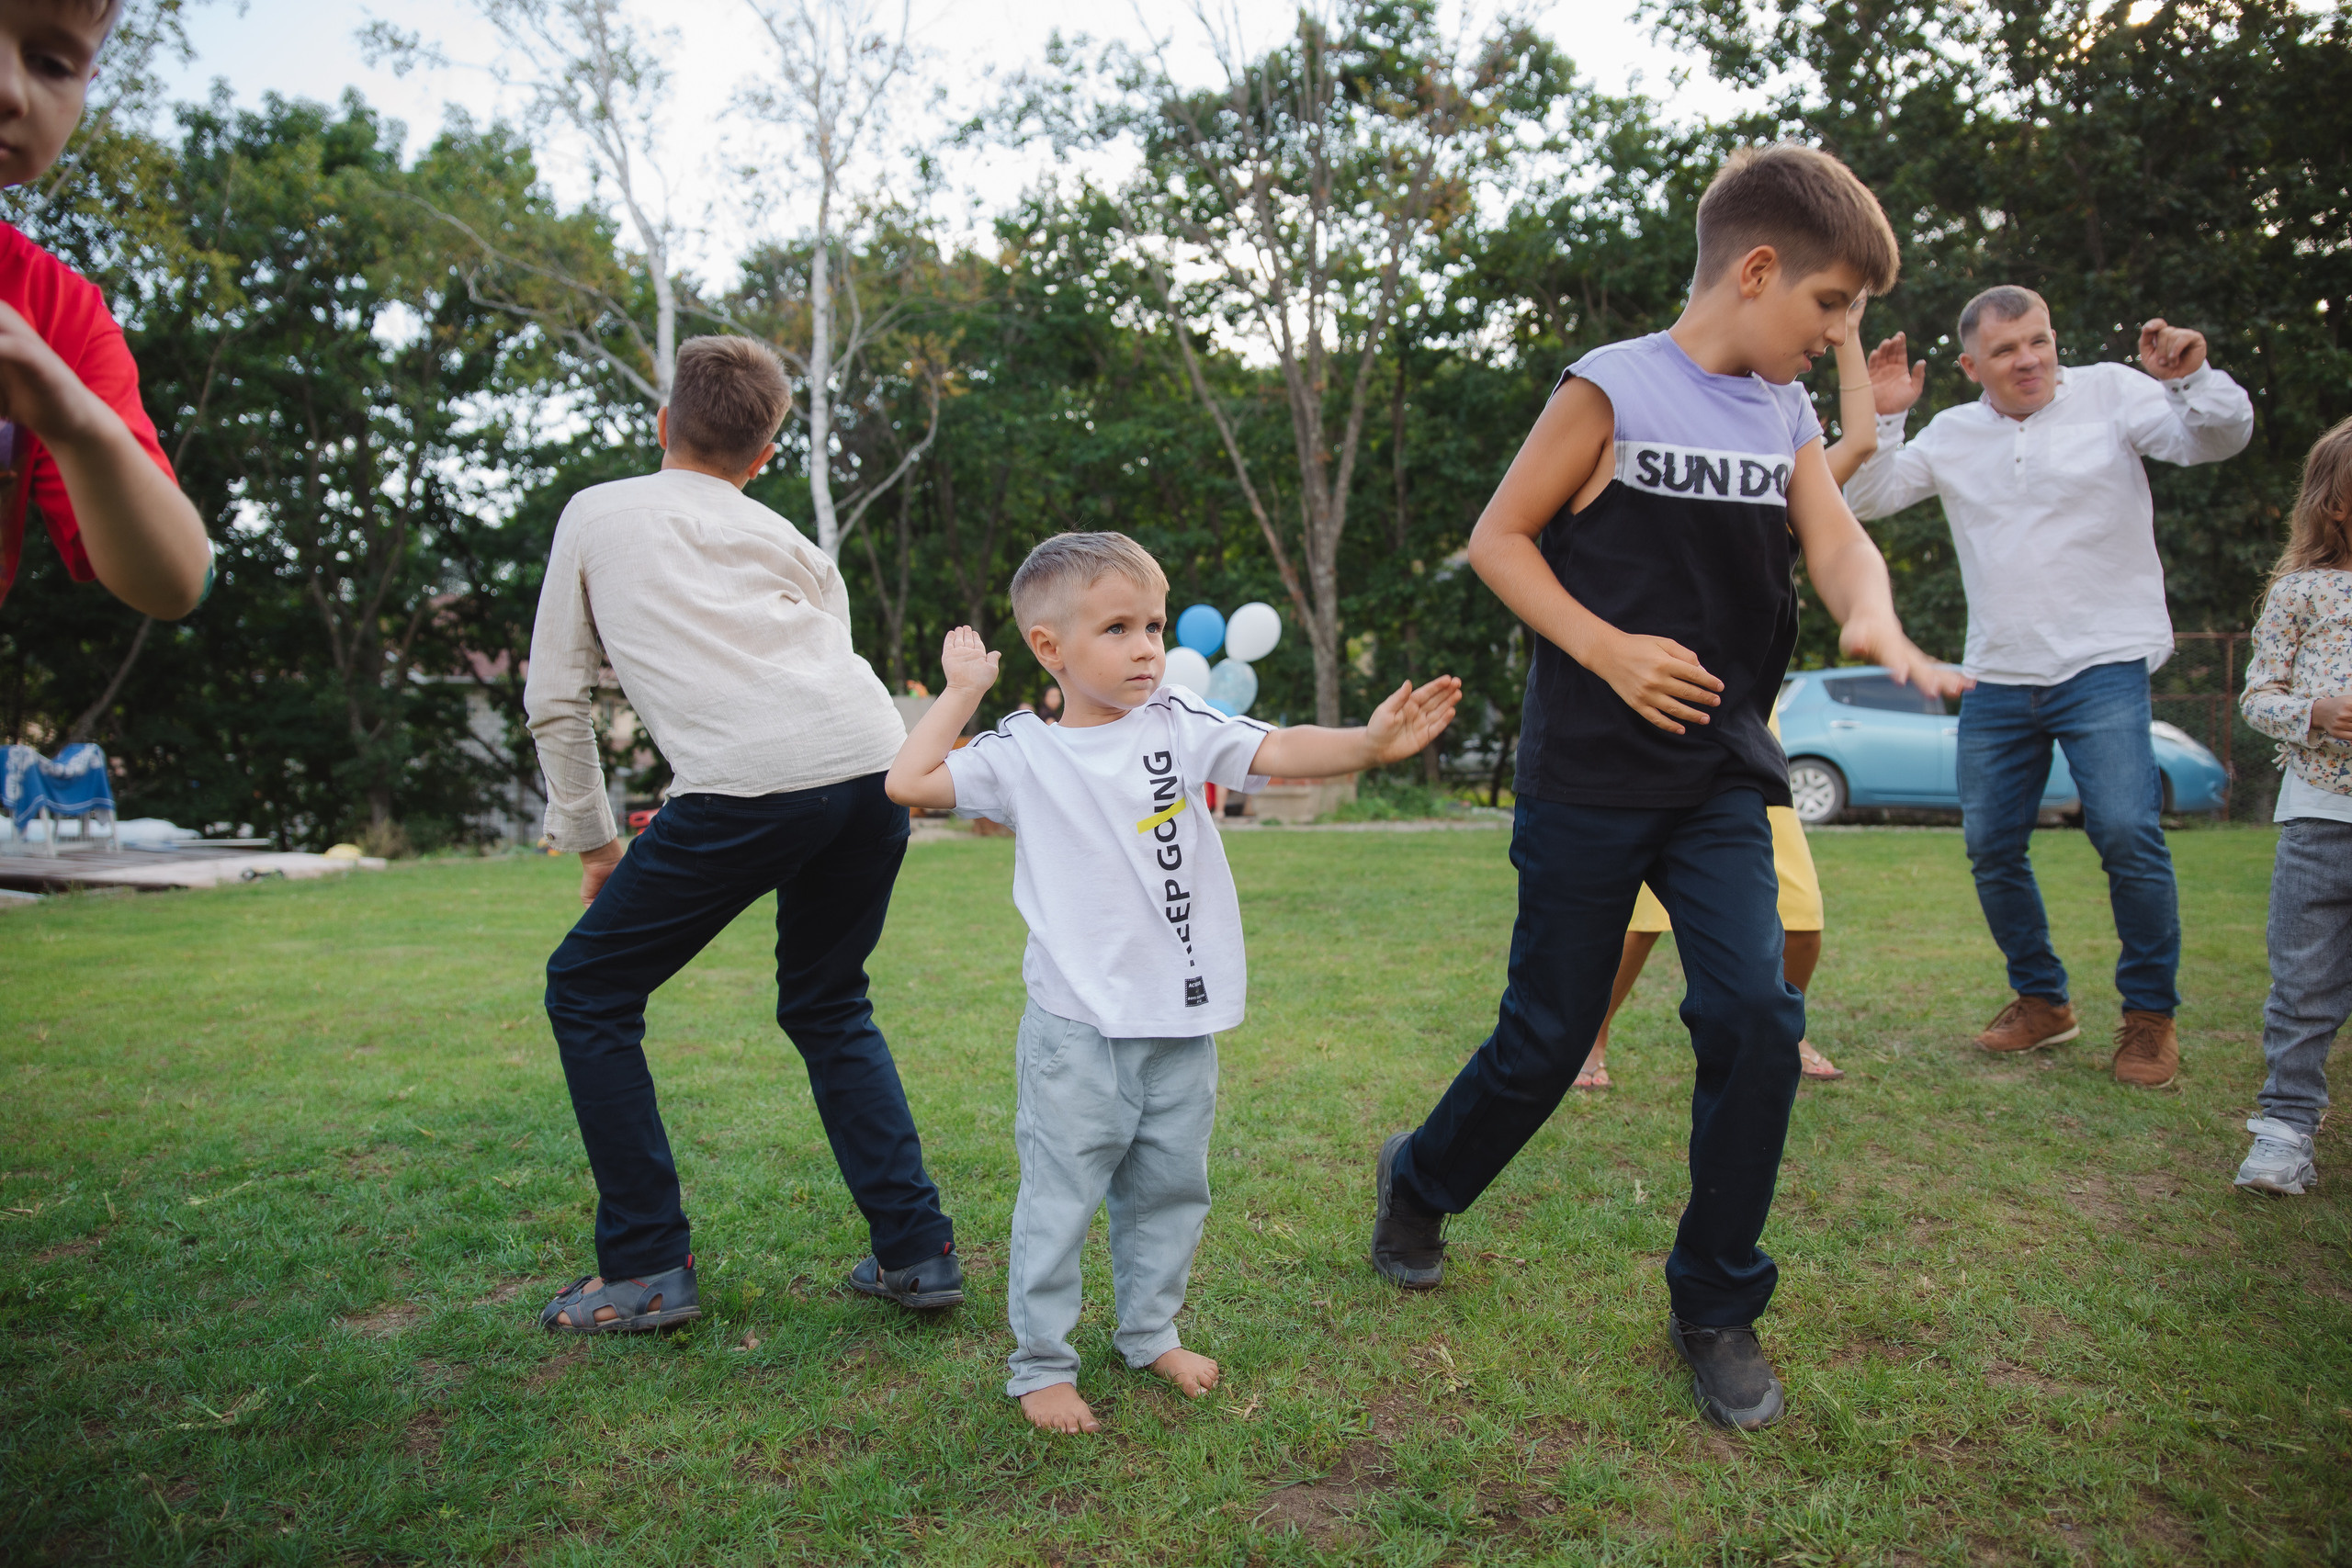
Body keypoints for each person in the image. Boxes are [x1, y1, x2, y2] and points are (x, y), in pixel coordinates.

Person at [1366, 144, 1969, 1432]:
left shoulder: (1781, 417)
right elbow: (1498, 536)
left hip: (1716, 776)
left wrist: (1877, 620)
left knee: (1754, 1012)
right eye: (1829, 312)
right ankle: (1419, 1178)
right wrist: (1603, 646)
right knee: (1544, 1037)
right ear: (1759, 271)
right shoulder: (1613, 387)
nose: (1831, 342)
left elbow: (1839, 537)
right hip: (1588, 777)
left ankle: (1716, 1300)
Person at [887, 532, 1459, 1434]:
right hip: (1076, 1033)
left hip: (1180, 1024)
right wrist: (961, 692)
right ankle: (1041, 1363)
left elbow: (1279, 749)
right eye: (1117, 627)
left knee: (1168, 1194)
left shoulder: (1181, 725)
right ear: (1049, 648)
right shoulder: (1025, 750)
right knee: (1060, 1202)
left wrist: (1367, 742)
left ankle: (1150, 1333)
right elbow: (907, 778)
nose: (1147, 644)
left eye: (1152, 623)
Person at [524, 334, 962, 1334]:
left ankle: (641, 1269)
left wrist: (597, 844)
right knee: (828, 1004)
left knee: (588, 988)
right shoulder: (790, 541)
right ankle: (917, 1253)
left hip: (752, 787)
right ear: (762, 457)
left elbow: (556, 699)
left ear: (664, 425)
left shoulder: (596, 513)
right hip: (872, 768)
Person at [1844, 287, 2254, 1087]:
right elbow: (1864, 498)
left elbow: (2218, 439)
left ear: (2054, 339)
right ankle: (2042, 1001)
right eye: (2004, 350)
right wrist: (1886, 417)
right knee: (1990, 846)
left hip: (2102, 662)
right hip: (1998, 672)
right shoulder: (1954, 434)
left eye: (2037, 341)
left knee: (2128, 833)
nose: (2027, 359)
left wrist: (2191, 378)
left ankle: (2148, 1018)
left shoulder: (2112, 392)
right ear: (1971, 366)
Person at [1577, 306, 1890, 1091]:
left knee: (1800, 913)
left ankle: (1779, 1028)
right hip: (1647, 720)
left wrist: (1850, 342)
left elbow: (1859, 445)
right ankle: (1590, 1041)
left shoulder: (1787, 463)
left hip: (1748, 735)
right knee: (1636, 921)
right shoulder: (1660, 439)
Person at [1, 0, 210, 620]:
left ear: (87, 86)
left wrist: (77, 425)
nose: (9, 89)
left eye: (49, 63)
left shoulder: (54, 316)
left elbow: (177, 581)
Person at [2233, 416, 2352, 1196]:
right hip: (2320, 817)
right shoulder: (2302, 591)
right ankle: (2284, 1127)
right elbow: (2257, 696)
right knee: (2304, 983)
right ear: (2337, 502)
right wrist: (2315, 712)